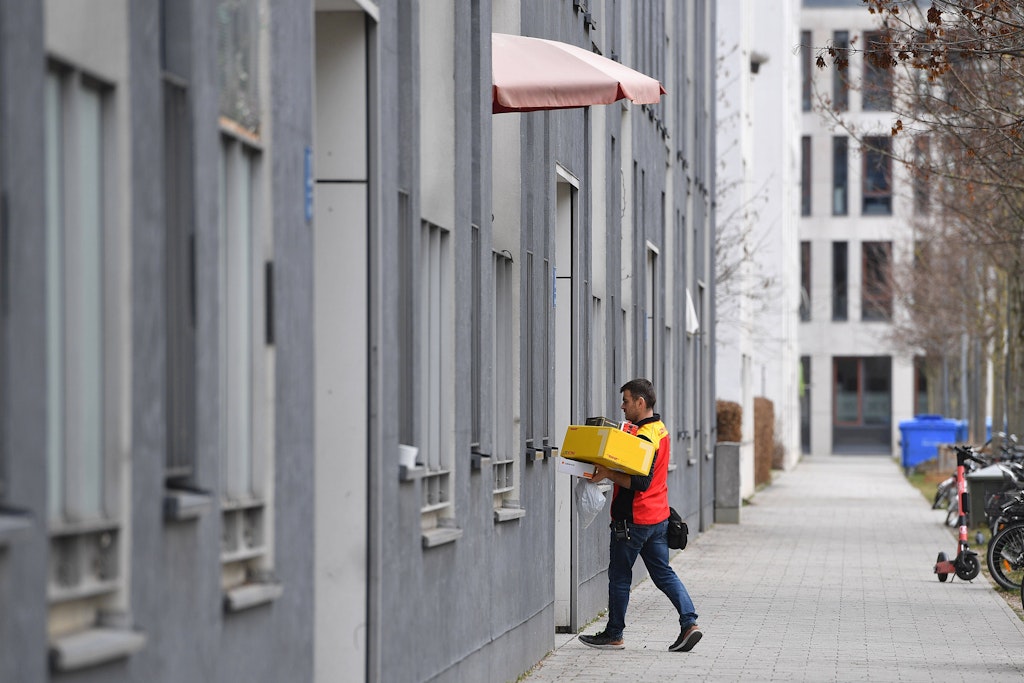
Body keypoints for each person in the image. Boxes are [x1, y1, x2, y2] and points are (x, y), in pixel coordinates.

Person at [578, 378, 702, 652]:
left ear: (640, 402)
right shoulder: (659, 429)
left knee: (620, 577)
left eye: (626, 401)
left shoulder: (644, 438)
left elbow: (642, 482)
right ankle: (689, 622)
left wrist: (609, 473)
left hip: (634, 520)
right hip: (658, 517)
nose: (622, 407)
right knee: (664, 574)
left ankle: (614, 634)